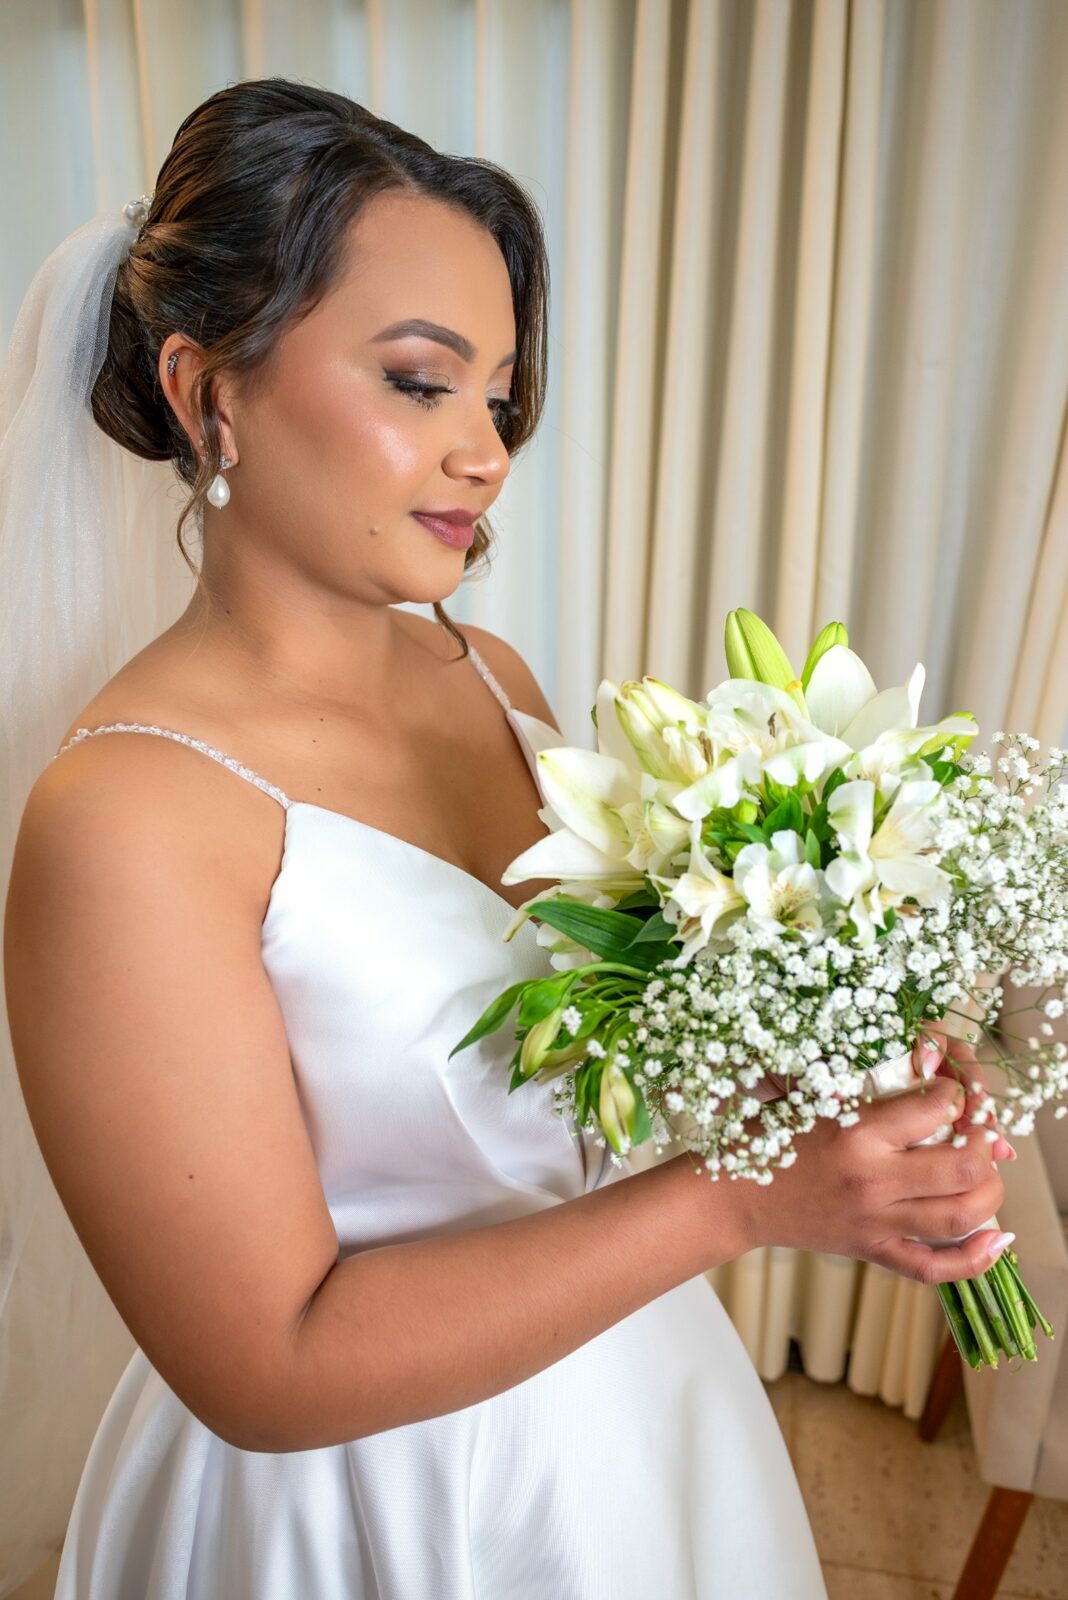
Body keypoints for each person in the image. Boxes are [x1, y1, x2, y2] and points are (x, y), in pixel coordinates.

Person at [1, 78, 1011, 1600]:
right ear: (210, 393)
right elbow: (267, 1367)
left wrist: (826, 1073)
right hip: (357, 1509)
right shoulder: (128, 818)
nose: (485, 452)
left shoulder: (489, 676)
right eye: (421, 383)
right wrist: (747, 1198)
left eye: (498, 397)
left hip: (634, 1418)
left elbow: (571, 1088)